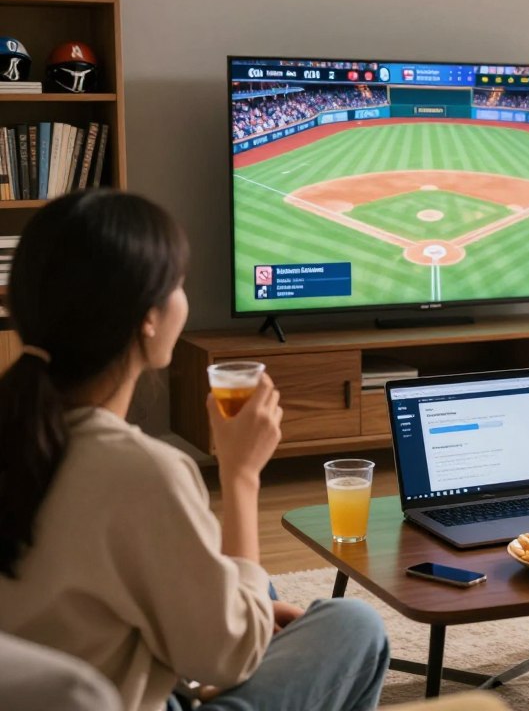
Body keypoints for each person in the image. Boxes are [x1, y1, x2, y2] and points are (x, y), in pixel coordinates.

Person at [0, 189, 389, 711]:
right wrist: (241, 473)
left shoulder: (21, 433)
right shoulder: (142, 472)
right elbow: (232, 659)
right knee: (352, 625)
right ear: (148, 318)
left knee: (255, 590)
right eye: (178, 284)